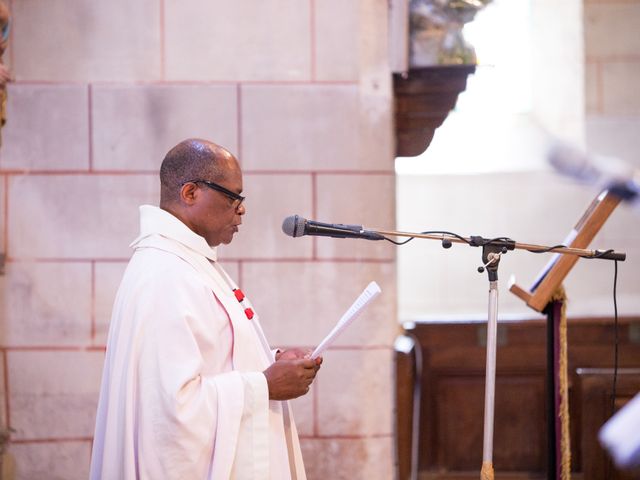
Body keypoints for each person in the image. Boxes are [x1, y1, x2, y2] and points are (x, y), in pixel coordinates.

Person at [90, 139, 322, 479]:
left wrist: (270, 361)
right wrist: (265, 386)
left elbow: (211, 358)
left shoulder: (189, 262)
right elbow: (171, 410)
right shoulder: (164, 274)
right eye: (233, 197)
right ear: (190, 193)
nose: (241, 209)